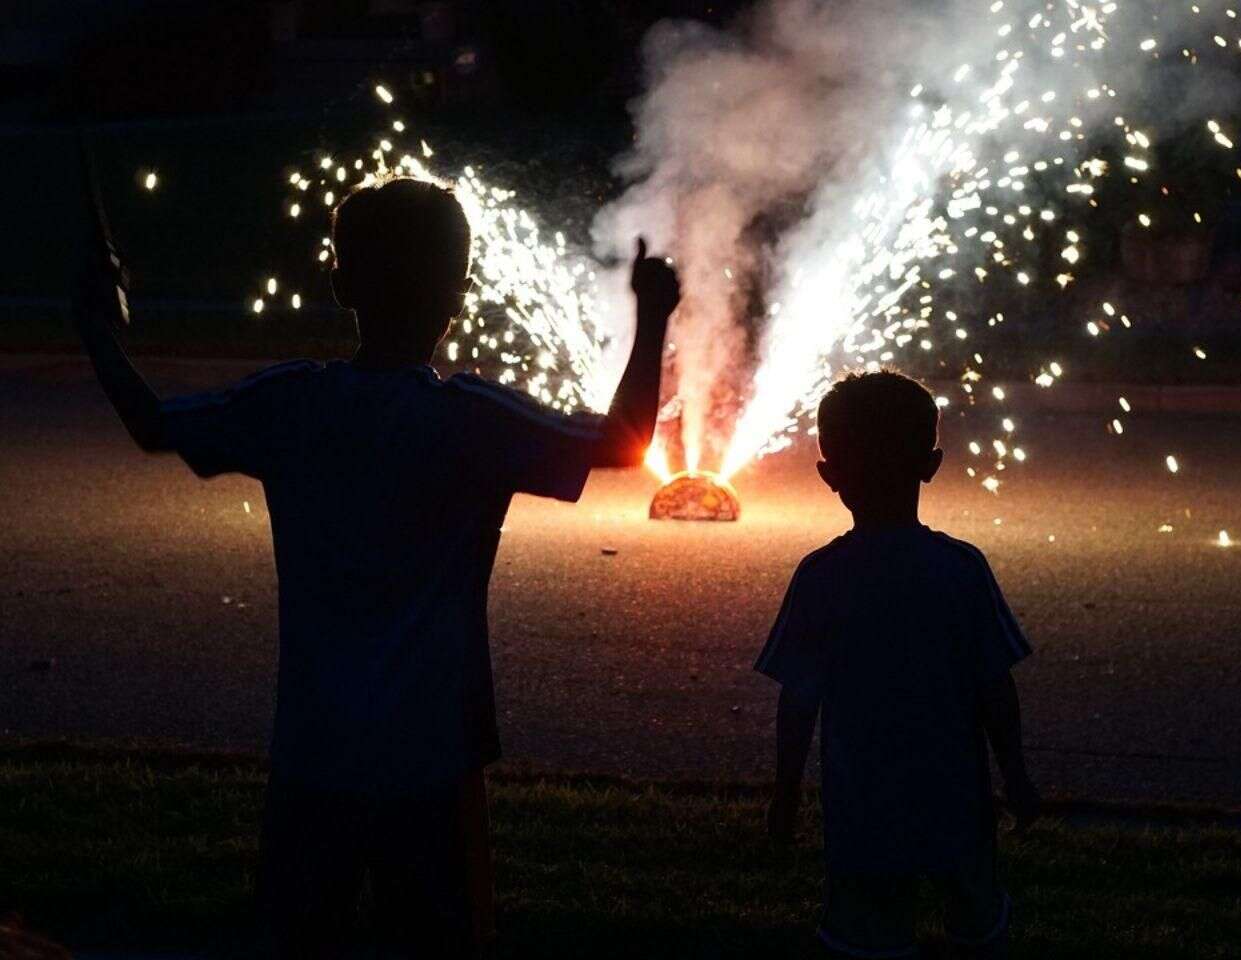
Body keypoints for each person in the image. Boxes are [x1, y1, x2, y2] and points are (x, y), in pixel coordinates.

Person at [73, 173, 680, 958]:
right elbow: (627, 440)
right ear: (457, 296)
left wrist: (95, 328)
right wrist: (654, 316)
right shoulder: (473, 419)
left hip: (314, 748)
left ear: (339, 283)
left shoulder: (291, 404)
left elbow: (154, 424)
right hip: (434, 755)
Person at [756, 371, 1040, 959]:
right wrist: (1015, 775)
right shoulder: (961, 570)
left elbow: (798, 700)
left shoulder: (820, 577)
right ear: (931, 464)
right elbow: (995, 688)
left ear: (829, 475)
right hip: (956, 799)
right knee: (977, 924)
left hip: (862, 804)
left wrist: (785, 795)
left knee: (865, 935)